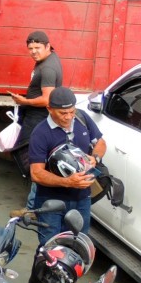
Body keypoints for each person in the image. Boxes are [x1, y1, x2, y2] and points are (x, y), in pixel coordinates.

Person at [28, 86, 106, 244]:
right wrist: (67, 182)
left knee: (78, 244)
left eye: (71, 111)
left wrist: (95, 157)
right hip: (51, 202)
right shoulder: (40, 133)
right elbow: (36, 173)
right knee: (50, 247)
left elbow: (101, 142)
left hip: (82, 200)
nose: (69, 117)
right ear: (49, 109)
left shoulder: (82, 118)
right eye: (63, 113)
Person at [9, 30, 63, 178]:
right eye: (30, 49)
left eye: (37, 48)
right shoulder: (48, 58)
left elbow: (47, 100)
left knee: (28, 154)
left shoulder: (48, 68)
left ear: (48, 46)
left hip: (38, 117)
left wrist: (24, 101)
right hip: (35, 115)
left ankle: (36, 184)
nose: (33, 52)